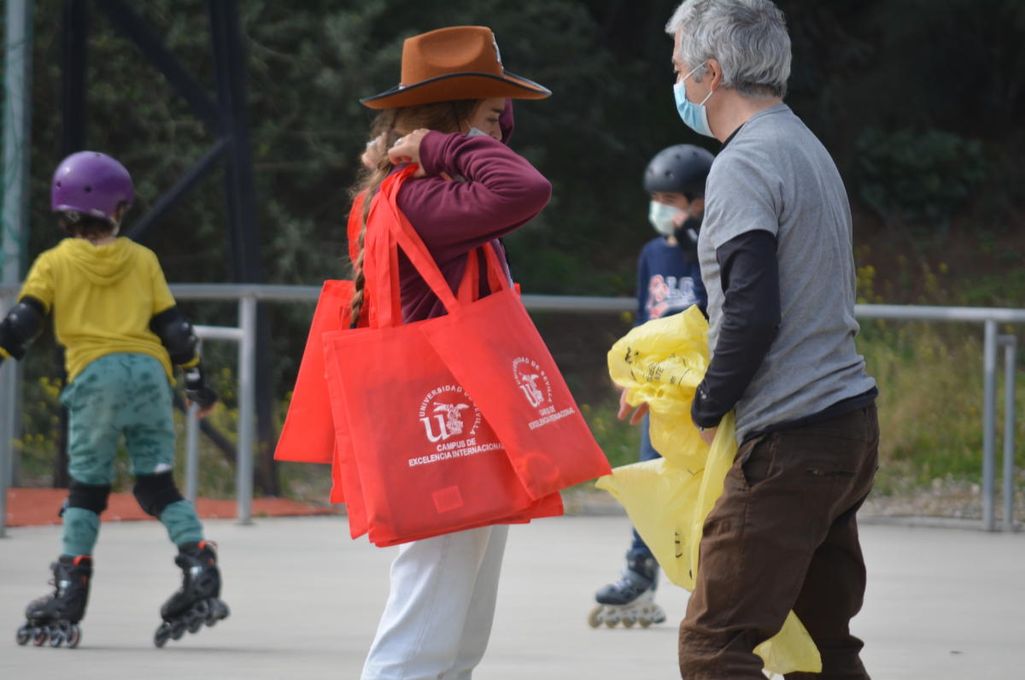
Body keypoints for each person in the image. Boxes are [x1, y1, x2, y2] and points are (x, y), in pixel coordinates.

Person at [659, 1, 880, 677]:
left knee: (714, 645)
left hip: (791, 437)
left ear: (711, 73)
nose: (676, 84)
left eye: (678, 69)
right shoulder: (803, 145)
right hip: (844, 423)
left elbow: (752, 311)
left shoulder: (744, 161)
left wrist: (706, 404)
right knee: (820, 648)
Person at [348, 26, 552, 680]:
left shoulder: (422, 192)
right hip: (444, 430)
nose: (502, 134)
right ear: (450, 121)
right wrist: (442, 143)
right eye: (491, 118)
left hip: (458, 425)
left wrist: (465, 126)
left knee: (457, 634)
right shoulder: (425, 199)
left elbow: (507, 166)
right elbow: (524, 188)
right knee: (421, 637)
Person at [1, 151, 227, 649]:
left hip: (95, 379)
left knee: (87, 490)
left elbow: (22, 323)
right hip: (149, 377)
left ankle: (69, 592)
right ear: (118, 210)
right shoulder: (143, 259)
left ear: (64, 212)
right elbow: (176, 330)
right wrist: (195, 381)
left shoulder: (54, 262)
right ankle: (200, 567)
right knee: (157, 485)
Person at [591, 144, 712, 629]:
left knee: (708, 484)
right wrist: (635, 379)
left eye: (671, 201)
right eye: (656, 199)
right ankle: (640, 571)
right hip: (660, 389)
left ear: (698, 202)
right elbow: (644, 321)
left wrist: (695, 241)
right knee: (651, 471)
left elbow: (718, 308)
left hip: (703, 386)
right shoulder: (651, 253)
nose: (660, 210)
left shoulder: (713, 249)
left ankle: (715, 578)